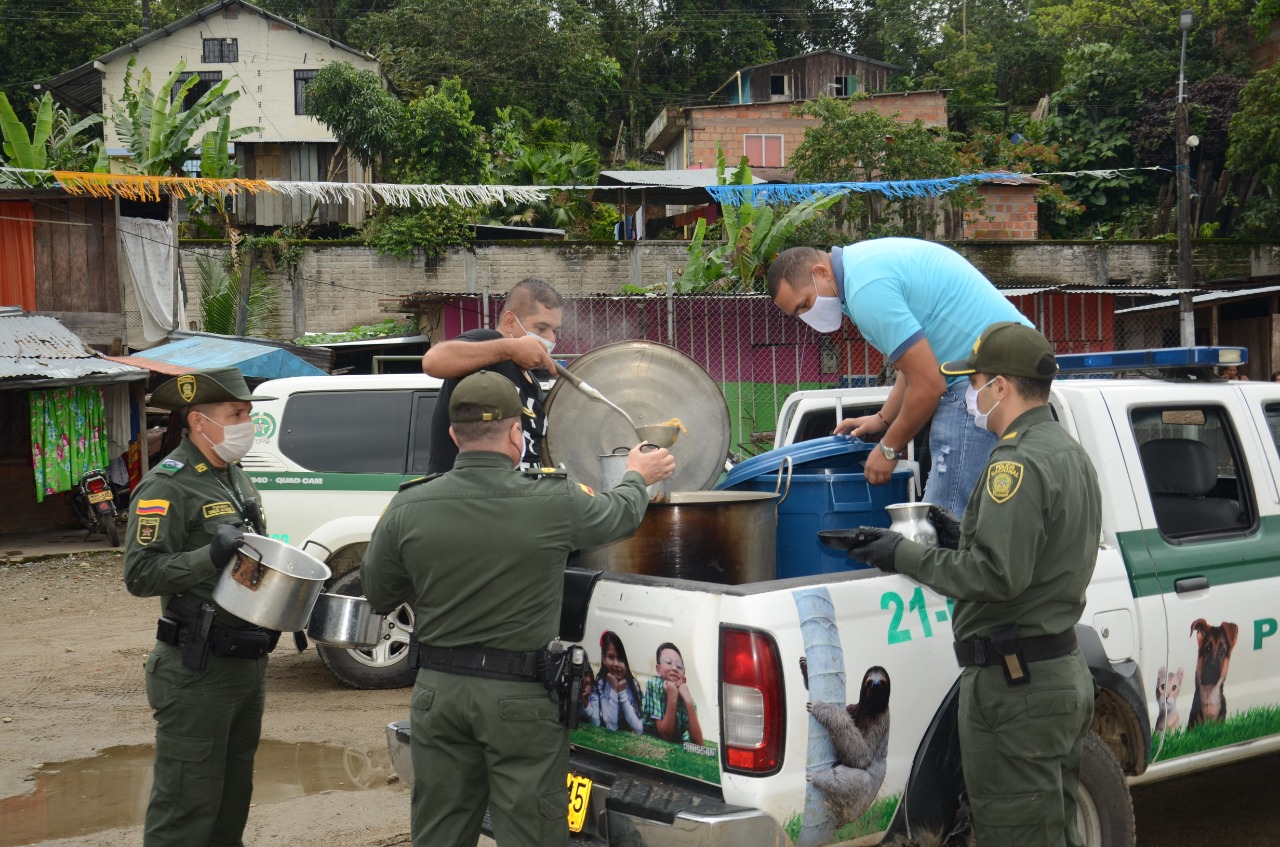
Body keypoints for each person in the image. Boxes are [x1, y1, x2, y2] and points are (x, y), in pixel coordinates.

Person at [360, 370, 674, 847]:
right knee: (532, 832)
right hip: (519, 700)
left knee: (439, 829)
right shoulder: (552, 499)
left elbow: (380, 594)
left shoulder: (409, 505)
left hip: (438, 695)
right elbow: (618, 516)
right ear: (514, 432)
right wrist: (638, 476)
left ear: (454, 435)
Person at [841, 322, 1101, 847]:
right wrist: (964, 536)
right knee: (1052, 831)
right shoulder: (1066, 451)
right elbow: (1040, 550)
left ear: (1000, 386)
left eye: (975, 383)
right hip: (1053, 672)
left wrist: (901, 553)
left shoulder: (1015, 462)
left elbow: (995, 575)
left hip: (1017, 688)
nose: (969, 396)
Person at [767, 239, 1032, 516]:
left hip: (982, 379)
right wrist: (883, 418)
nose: (806, 316)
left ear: (821, 272)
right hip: (1016, 365)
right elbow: (913, 367)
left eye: (805, 304)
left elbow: (929, 385)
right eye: (797, 314)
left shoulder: (865, 291)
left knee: (945, 519)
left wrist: (888, 448)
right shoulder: (862, 269)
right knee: (994, 514)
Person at [123, 367, 276, 847]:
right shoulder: (168, 485)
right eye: (236, 414)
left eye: (248, 414)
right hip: (197, 669)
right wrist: (208, 555)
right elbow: (140, 574)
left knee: (231, 803)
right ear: (198, 421)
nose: (246, 425)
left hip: (245, 663)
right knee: (186, 807)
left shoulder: (235, 477)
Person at [422, 277, 563, 474]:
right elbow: (433, 361)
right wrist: (509, 348)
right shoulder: (489, 344)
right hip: (470, 492)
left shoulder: (532, 382)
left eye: (555, 331)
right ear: (510, 322)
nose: (551, 338)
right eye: (541, 328)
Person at [642, 642, 704, 745]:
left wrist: (689, 702)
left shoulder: (685, 697)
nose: (674, 668)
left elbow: (699, 744)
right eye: (668, 662)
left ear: (684, 676)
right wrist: (672, 697)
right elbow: (664, 734)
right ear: (658, 669)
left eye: (679, 666)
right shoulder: (654, 685)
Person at [594, 630, 644, 733]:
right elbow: (611, 727)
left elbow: (639, 729)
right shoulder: (602, 683)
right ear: (604, 659)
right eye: (611, 657)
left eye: (621, 658)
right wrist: (614, 690)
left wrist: (622, 693)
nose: (616, 664)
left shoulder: (632, 684)